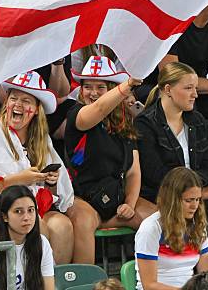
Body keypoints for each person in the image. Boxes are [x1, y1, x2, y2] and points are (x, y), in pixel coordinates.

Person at [0, 71, 75, 264]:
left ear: (36, 109)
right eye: (13, 98)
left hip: (29, 207)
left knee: (63, 226)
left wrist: (50, 182)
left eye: (26, 101)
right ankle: (33, 279)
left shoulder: (41, 139)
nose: (18, 105)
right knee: (36, 226)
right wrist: (21, 179)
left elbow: (50, 195)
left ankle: (54, 279)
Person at [136, 62, 208, 254]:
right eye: (188, 88)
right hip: (164, 196)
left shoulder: (196, 120)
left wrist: (196, 192)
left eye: (195, 88)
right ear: (168, 89)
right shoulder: (145, 124)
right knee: (190, 215)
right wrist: (195, 193)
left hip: (197, 191)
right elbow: (155, 174)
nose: (195, 95)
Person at [64, 56, 156, 264]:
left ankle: (159, 276)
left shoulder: (123, 121)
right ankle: (85, 279)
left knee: (158, 219)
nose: (93, 92)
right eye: (87, 87)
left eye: (100, 87)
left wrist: (130, 204)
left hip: (115, 195)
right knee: (84, 220)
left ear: (111, 89)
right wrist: (128, 85)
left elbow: (133, 172)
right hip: (82, 197)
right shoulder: (75, 114)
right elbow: (98, 109)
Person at [135, 167, 208, 290]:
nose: (195, 206)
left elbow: (206, 276)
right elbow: (149, 285)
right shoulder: (151, 228)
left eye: (197, 200)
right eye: (188, 200)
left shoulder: (198, 225)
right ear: (172, 200)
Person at [0, 185, 55, 290]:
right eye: (18, 211)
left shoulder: (42, 243)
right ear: (4, 216)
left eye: (30, 210)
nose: (26, 217)